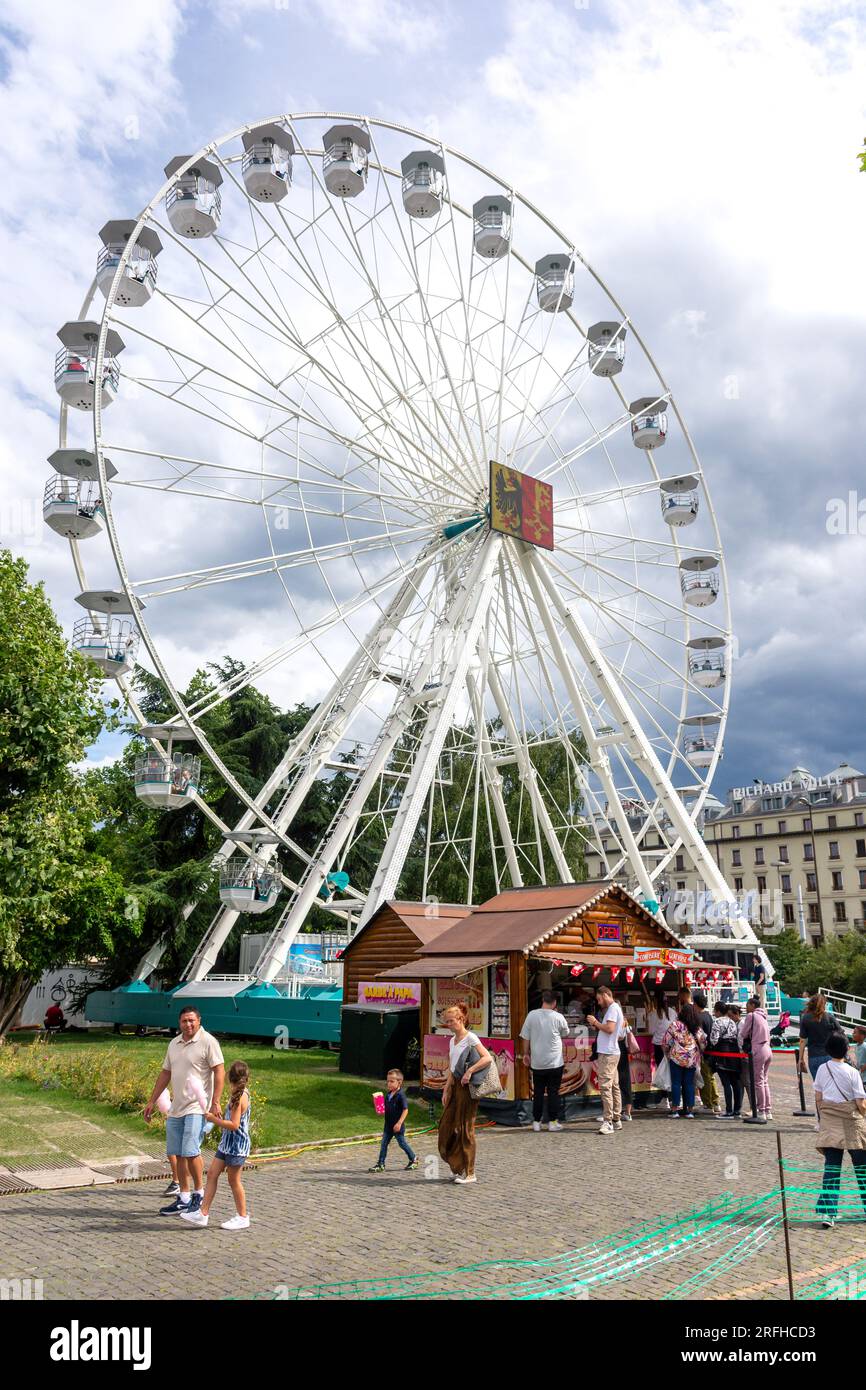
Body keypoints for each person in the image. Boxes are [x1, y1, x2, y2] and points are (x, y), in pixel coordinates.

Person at [144, 1005, 225, 1217]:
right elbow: (165, 1073)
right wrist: (152, 1101)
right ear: (179, 1023)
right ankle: (184, 1197)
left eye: (191, 1020)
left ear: (199, 1021)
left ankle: (199, 1195)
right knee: (177, 1153)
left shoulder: (208, 1042)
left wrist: (215, 1101)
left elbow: (219, 1070)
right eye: (184, 1021)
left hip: (197, 1107)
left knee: (191, 1152)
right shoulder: (174, 1043)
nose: (188, 1024)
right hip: (176, 1108)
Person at [182, 1061, 252, 1230]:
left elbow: (234, 1125)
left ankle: (242, 1216)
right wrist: (220, 1115)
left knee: (234, 1180)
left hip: (237, 1146)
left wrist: (214, 1120)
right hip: (226, 1144)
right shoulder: (236, 1093)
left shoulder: (240, 1097)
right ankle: (203, 1213)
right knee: (212, 1174)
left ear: (230, 1078)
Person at [814, 1033, 866, 1230]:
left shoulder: (821, 1069)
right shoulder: (852, 1072)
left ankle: (828, 1212)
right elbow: (860, 1103)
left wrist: (822, 1119)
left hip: (830, 1121)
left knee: (832, 1168)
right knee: (862, 1167)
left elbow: (818, 1096)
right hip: (852, 1122)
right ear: (847, 1050)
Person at [438, 1003, 493, 1184]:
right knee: (446, 1126)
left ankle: (470, 1172)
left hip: (467, 1088)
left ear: (461, 1019)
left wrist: (470, 1072)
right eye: (447, 1022)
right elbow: (453, 1069)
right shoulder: (451, 1040)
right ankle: (457, 1165)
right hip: (455, 1086)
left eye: (451, 1021)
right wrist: (446, 1088)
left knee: (465, 1128)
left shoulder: (471, 1038)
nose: (449, 1024)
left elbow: (487, 1058)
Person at [520, 989, 570, 1133]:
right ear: (554, 1003)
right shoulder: (558, 1017)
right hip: (555, 1062)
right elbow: (566, 1033)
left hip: (537, 1062)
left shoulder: (531, 1015)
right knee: (553, 1092)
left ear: (543, 1000)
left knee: (538, 1092)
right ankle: (553, 1122)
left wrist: (525, 1054)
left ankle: (536, 1121)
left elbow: (525, 1037)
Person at [799, 994, 843, 1127]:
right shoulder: (829, 1017)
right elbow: (840, 1033)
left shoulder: (806, 1018)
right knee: (832, 1088)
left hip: (814, 1057)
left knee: (819, 1090)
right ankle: (833, 1120)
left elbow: (802, 1040)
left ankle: (820, 1121)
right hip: (830, 1056)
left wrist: (800, 1059)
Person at [587, 985, 624, 1136]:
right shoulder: (615, 1009)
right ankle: (616, 1118)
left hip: (608, 1053)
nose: (599, 1002)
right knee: (614, 1085)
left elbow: (609, 1028)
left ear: (605, 995)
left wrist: (595, 1022)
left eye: (599, 999)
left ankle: (608, 1121)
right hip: (612, 1051)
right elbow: (617, 1033)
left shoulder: (613, 1009)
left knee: (605, 1086)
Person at [369, 1068, 418, 1172]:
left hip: (397, 1126)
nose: (389, 1083)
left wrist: (399, 1123)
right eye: (388, 1081)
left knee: (402, 1143)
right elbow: (383, 1110)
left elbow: (405, 1110)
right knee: (384, 1143)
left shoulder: (401, 1095)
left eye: (392, 1081)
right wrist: (378, 1104)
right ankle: (381, 1164)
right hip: (388, 1126)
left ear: (399, 1082)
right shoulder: (388, 1095)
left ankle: (413, 1159)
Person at [662, 1003, 706, 1118]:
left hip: (676, 1057)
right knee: (689, 1084)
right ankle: (690, 1110)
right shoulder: (697, 1027)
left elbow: (666, 1041)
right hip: (692, 1059)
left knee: (676, 1083)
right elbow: (703, 1042)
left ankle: (675, 1109)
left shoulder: (675, 1025)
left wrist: (667, 1053)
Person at [740, 996, 773, 1121]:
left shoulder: (751, 1016)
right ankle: (767, 1110)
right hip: (768, 1049)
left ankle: (761, 1110)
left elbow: (743, 1033)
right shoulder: (763, 1016)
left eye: (748, 1005)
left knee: (758, 1081)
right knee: (764, 1081)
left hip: (758, 1049)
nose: (746, 1007)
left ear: (753, 1005)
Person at [645, 988, 677, 1112]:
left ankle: (665, 1098)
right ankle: (673, 1098)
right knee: (672, 1070)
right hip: (672, 1044)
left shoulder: (653, 1014)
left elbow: (651, 1031)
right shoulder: (672, 1012)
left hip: (659, 1045)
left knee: (662, 1070)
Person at [710, 1003, 744, 1118]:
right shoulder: (732, 1022)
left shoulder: (717, 1022)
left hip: (722, 1052)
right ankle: (737, 1110)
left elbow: (714, 1040)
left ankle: (728, 1110)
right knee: (735, 1083)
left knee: (726, 1083)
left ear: (718, 1011)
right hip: (734, 1052)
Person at [693, 990, 721, 1115]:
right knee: (710, 1077)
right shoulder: (708, 1015)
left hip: (703, 1051)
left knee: (705, 1077)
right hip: (711, 1050)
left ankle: (708, 1104)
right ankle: (715, 1102)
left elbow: (699, 1036)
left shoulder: (698, 1017)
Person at [618, 1005, 636, 1121]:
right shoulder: (624, 1021)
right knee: (625, 1081)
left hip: (615, 1050)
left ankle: (615, 1111)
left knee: (614, 1082)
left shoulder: (615, 1021)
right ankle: (628, 1112)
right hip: (624, 1051)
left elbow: (618, 1036)